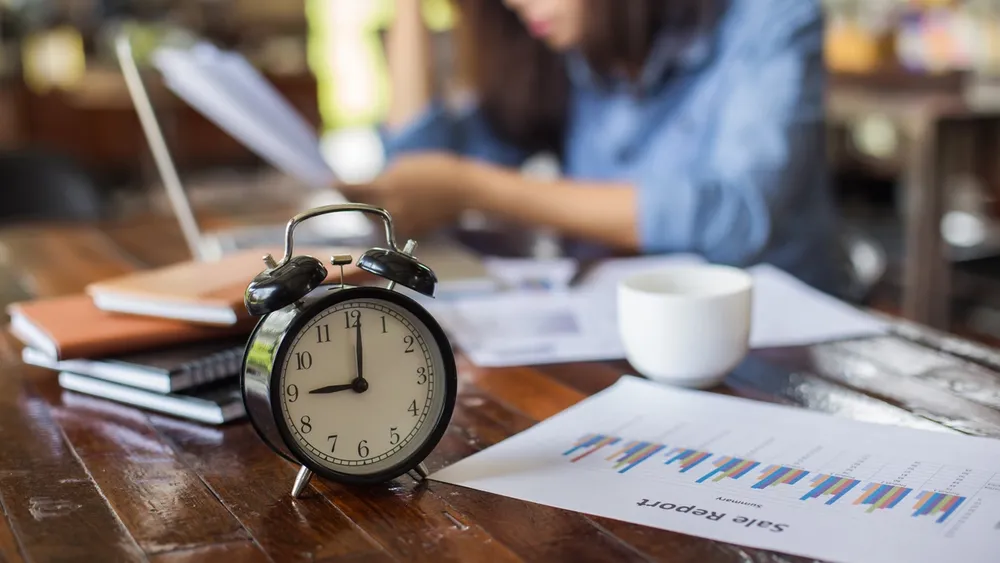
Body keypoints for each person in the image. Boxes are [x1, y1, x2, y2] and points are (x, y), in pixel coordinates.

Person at [340, 0, 846, 294]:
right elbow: (419, 169)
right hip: (620, 336)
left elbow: (738, 215)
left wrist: (476, 189)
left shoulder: (770, 15)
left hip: (778, 345)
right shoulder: (560, 46)